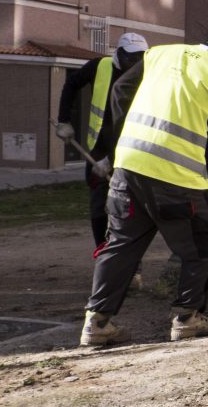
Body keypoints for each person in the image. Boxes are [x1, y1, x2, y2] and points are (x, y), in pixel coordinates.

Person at [79, 16, 208, 347]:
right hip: (176, 180)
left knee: (121, 244)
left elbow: (121, 90)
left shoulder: (161, 53)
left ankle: (96, 323)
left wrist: (122, 142)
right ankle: (188, 318)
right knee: (201, 244)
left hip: (129, 169)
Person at [56, 31, 149, 249]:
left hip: (130, 152)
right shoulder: (99, 67)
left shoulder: (147, 76)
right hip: (97, 150)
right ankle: (103, 251)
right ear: (119, 54)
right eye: (132, 58)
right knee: (99, 206)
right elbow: (71, 84)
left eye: (141, 58)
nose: (136, 63)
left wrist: (112, 159)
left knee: (128, 207)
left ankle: (131, 264)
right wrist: (64, 121)